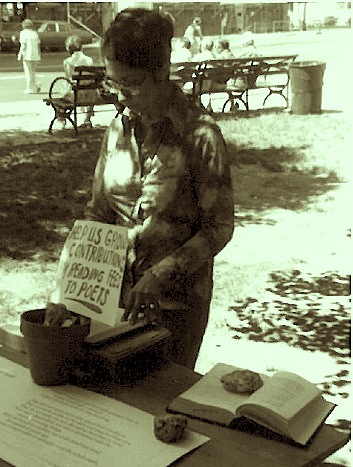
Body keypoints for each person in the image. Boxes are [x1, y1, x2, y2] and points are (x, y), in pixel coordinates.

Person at [85, 8, 234, 369]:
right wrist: (71, 280)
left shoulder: (200, 136)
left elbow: (219, 228)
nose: (122, 96)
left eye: (131, 83)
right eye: (113, 82)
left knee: (160, 407)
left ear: (162, 72)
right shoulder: (118, 130)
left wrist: (160, 274)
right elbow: (98, 210)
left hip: (174, 307)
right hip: (110, 298)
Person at [62, 35, 95, 128]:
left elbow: (68, 79)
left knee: (63, 93)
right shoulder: (89, 60)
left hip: (76, 96)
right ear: (81, 47)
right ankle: (87, 119)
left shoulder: (67, 62)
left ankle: (61, 118)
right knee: (89, 88)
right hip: (91, 94)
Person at [17, 19, 41, 94]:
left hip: (27, 55)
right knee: (33, 72)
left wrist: (19, 54)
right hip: (35, 55)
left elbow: (23, 45)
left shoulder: (23, 33)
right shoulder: (35, 33)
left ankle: (30, 89)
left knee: (28, 72)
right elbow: (38, 45)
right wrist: (39, 55)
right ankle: (36, 86)